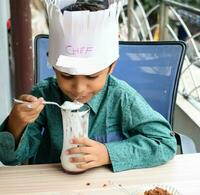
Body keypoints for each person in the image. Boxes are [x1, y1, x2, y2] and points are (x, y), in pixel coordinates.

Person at [0, 1, 176, 172]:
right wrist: (16, 122)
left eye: (92, 76)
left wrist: (108, 154)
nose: (79, 88)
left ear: (111, 66)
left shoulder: (121, 98)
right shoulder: (45, 94)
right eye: (67, 75)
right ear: (54, 67)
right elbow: (10, 159)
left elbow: (165, 143)